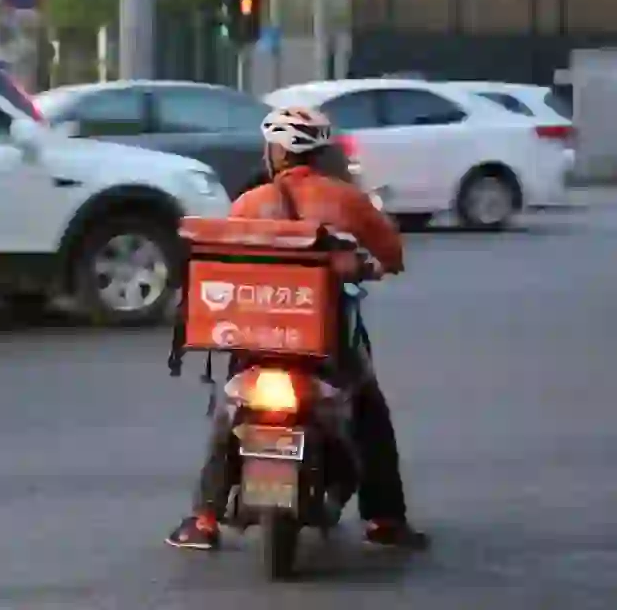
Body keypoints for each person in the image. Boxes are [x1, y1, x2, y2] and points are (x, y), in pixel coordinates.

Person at [164, 106, 428, 551]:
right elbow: (392, 254)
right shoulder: (346, 199)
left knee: (229, 410)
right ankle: (385, 519)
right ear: (322, 152)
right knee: (368, 409)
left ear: (275, 153)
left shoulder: (251, 202)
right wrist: (366, 265)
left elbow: (225, 262)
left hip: (257, 340)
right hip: (324, 344)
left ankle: (203, 519)